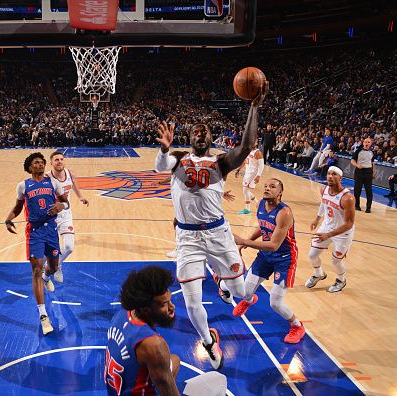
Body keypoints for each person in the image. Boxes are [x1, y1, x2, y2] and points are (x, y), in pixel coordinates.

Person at [154, 82, 268, 370]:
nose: (200, 133)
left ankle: (223, 281)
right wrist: (164, 148)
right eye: (196, 130)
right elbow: (159, 166)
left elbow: (245, 146)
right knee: (192, 302)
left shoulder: (221, 162)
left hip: (219, 235)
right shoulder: (178, 158)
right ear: (190, 136)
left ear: (211, 136)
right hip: (188, 239)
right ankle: (208, 341)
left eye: (205, 131)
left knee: (241, 293)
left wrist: (254, 107)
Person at [106, 266, 227, 396]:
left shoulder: (120, 316)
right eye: (164, 304)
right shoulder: (153, 344)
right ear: (146, 309)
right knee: (218, 380)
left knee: (174, 360)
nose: (172, 307)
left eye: (170, 300)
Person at [232, 179, 305, 343]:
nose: (267, 189)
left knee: (275, 303)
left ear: (280, 192)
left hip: (284, 259)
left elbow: (273, 245)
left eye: (272, 187)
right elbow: (263, 226)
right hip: (265, 256)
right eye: (265, 186)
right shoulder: (261, 205)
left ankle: (297, 326)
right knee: (245, 292)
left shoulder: (284, 212)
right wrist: (249, 240)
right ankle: (250, 300)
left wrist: (244, 241)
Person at [5, 152, 70, 335]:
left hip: (51, 230)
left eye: (42, 162)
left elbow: (67, 203)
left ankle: (47, 277)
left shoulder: (54, 183)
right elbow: (18, 207)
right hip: (34, 232)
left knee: (54, 267)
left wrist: (61, 206)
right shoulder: (23, 186)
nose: (41, 165)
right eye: (37, 162)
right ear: (30, 166)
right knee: (36, 271)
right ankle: (43, 316)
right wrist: (9, 219)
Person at [305, 166, 356, 293]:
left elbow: (349, 224)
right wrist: (317, 219)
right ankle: (319, 274)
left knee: (335, 260)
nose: (330, 176)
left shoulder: (347, 198)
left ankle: (341, 280)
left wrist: (328, 235)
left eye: (334, 174)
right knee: (312, 255)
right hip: (327, 227)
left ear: (340, 178)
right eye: (328, 174)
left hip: (343, 232)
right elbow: (324, 202)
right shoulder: (324, 189)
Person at [45, 151, 89, 283]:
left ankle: (57, 265)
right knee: (46, 250)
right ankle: (46, 272)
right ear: (51, 163)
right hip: (50, 216)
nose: (59, 161)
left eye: (61, 159)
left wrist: (80, 196)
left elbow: (73, 183)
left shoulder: (69, 173)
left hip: (65, 214)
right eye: (56, 160)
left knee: (69, 247)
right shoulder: (46, 178)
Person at [235, 140, 264, 215]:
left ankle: (247, 209)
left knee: (245, 190)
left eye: (254, 141)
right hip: (247, 173)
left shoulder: (258, 152)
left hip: (253, 174)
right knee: (246, 190)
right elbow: (245, 161)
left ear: (256, 143)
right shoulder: (248, 151)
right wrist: (238, 169)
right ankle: (258, 204)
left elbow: (261, 166)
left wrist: (258, 175)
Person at [350, 137, 374, 213]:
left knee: (369, 190)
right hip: (359, 172)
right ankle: (357, 205)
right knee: (357, 190)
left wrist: (373, 172)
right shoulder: (358, 151)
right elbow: (352, 160)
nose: (367, 143)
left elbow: (372, 163)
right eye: (365, 142)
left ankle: (368, 208)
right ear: (363, 143)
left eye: (368, 142)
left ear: (371, 144)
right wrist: (357, 165)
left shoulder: (372, 152)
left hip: (368, 172)